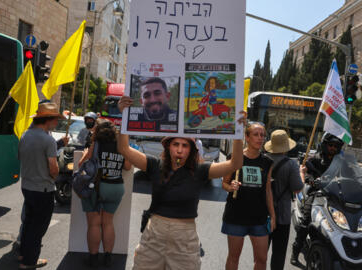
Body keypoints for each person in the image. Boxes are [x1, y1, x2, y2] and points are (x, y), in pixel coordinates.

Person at [117, 95, 245, 270]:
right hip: (154, 234)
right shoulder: (154, 165)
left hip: (185, 239)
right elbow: (123, 148)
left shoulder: (201, 170)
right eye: (175, 144)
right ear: (168, 146)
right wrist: (124, 115)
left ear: (191, 150)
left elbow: (235, 164)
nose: (179, 150)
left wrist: (238, 132)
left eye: (185, 146)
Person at [78, 118, 131, 267]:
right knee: (108, 223)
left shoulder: (95, 145)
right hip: (116, 187)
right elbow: (127, 166)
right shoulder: (122, 146)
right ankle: (108, 257)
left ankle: (93, 258)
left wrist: (85, 153)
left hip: (96, 187)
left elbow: (81, 164)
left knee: (94, 224)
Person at [221, 122, 275, 270]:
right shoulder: (234, 157)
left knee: (262, 259)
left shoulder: (267, 162)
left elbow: (268, 191)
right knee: (234, 257)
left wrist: (273, 215)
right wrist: (230, 187)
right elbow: (224, 184)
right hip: (236, 216)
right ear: (247, 137)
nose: (259, 138)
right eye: (255, 135)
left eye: (262, 135)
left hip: (259, 218)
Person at [17, 102, 64, 269]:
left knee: (29, 223)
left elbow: (21, 157)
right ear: (48, 120)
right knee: (38, 228)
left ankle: (24, 254)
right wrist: (56, 172)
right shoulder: (48, 140)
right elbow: (53, 169)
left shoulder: (25, 135)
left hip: (27, 186)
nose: (57, 123)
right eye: (56, 120)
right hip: (43, 189)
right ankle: (29, 261)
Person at [290, 132, 344, 266]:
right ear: (325, 145)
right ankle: (295, 253)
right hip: (316, 195)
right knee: (305, 222)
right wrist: (311, 180)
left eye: (336, 146)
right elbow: (305, 173)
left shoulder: (340, 163)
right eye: (331, 145)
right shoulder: (315, 159)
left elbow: (350, 175)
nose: (333, 148)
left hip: (335, 196)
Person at [264, 130, 304, 270]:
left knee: (261, 256)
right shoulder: (291, 165)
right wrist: (301, 173)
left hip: (264, 214)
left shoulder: (263, 160)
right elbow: (298, 188)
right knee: (279, 254)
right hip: (282, 216)